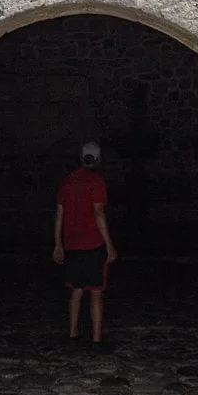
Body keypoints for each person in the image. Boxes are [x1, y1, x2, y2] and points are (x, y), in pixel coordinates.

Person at [53, 141, 117, 345]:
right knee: (96, 292)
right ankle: (97, 340)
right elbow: (98, 212)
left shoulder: (67, 181)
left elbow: (59, 214)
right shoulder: (96, 181)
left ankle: (73, 334)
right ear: (98, 160)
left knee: (76, 290)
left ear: (80, 158)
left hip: (72, 243)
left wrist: (58, 243)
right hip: (93, 243)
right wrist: (109, 243)